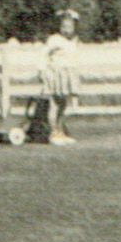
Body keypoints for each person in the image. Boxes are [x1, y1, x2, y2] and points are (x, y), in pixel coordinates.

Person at [39, 9, 81, 144]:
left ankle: (60, 130)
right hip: (55, 75)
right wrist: (42, 70)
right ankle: (53, 133)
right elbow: (44, 54)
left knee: (63, 105)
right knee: (55, 104)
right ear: (59, 27)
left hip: (67, 75)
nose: (66, 30)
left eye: (69, 27)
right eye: (64, 27)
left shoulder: (74, 40)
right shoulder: (54, 40)